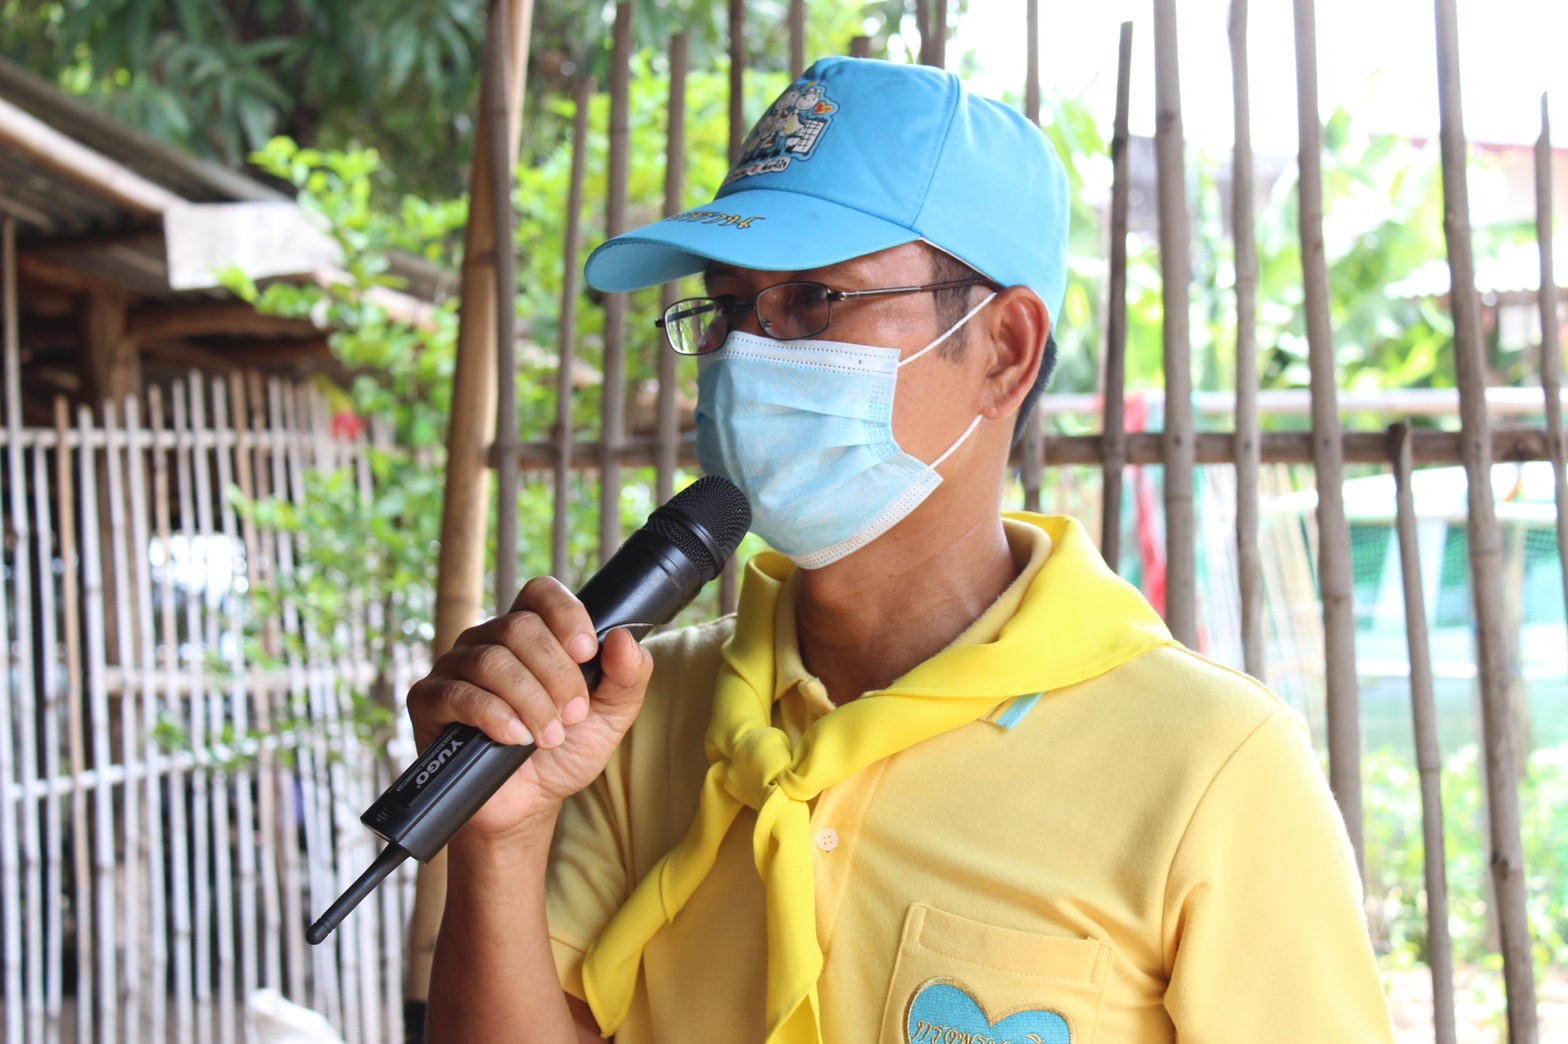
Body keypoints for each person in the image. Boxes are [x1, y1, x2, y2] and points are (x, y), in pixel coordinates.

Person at [412, 57, 1394, 1042]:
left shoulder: (1208, 763)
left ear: (1002, 348)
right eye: (725, 307)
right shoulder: (627, 712)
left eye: (814, 299)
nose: (746, 354)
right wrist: (501, 836)